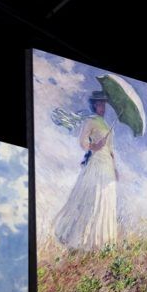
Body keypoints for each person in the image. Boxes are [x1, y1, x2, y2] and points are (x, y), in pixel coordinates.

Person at [52, 91, 118, 250]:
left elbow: (110, 150)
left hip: (107, 166)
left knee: (105, 198)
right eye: (99, 104)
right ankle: (81, 241)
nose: (102, 107)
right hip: (96, 163)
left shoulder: (107, 126)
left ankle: (100, 243)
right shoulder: (91, 121)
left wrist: (115, 168)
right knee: (92, 198)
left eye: (104, 104)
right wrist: (94, 146)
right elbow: (82, 142)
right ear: (94, 105)